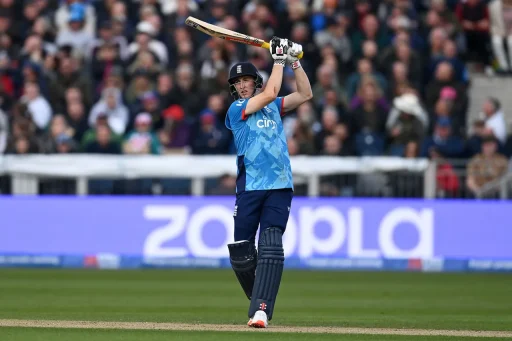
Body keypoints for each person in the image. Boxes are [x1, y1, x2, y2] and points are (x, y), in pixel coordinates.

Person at [224, 37, 313, 328]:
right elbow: (272, 89)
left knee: (272, 241)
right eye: (238, 82)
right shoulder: (236, 110)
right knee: (241, 250)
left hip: (279, 184)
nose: (242, 85)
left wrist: (295, 62)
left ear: (255, 81)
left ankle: (261, 310)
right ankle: (259, 298)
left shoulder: (274, 105)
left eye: (247, 80)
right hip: (250, 186)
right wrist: (278, 59)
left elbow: (305, 94)